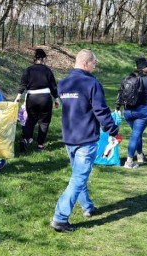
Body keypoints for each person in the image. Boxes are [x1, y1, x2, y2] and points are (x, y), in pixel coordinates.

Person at [50, 49, 119, 233]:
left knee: (78, 176)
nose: (95, 67)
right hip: (85, 139)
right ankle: (60, 217)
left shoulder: (63, 84)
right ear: (87, 63)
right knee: (79, 178)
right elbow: (101, 111)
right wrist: (113, 130)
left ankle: (88, 206)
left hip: (69, 137)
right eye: (94, 64)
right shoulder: (92, 83)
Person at [115, 57, 147, 168]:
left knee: (137, 133)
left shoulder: (129, 78)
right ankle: (129, 162)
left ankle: (140, 155)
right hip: (142, 111)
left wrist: (117, 107)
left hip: (128, 111)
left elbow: (120, 92)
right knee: (135, 135)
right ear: (145, 68)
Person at [14, 49, 60, 152]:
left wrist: (18, 96)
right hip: (45, 97)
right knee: (44, 121)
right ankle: (40, 145)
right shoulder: (47, 70)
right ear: (43, 59)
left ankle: (25, 140)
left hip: (32, 97)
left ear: (35, 59)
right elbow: (53, 86)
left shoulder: (28, 70)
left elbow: (23, 84)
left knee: (30, 119)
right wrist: (56, 98)